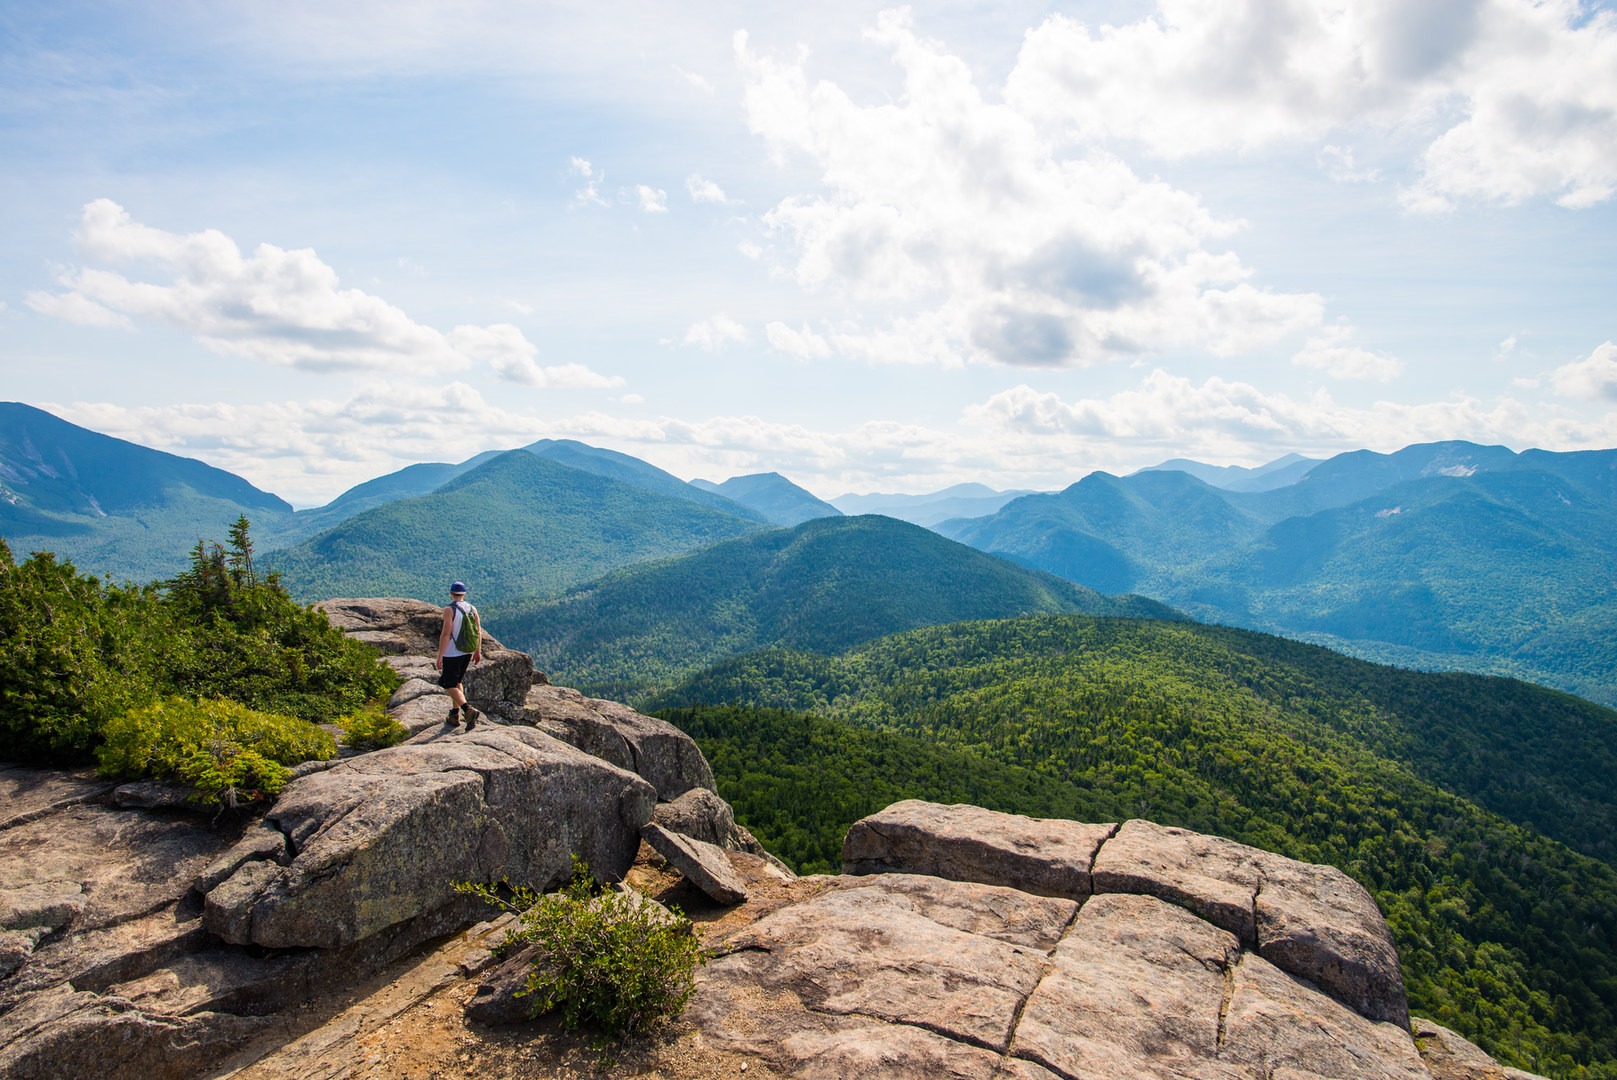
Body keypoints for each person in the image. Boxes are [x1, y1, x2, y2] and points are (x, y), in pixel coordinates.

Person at [435, 580, 483, 729]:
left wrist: (440, 656)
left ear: (451, 594)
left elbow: (446, 634)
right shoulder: (472, 608)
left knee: (447, 684)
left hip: (452, 652)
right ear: (464, 594)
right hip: (467, 651)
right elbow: (478, 631)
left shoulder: (449, 610)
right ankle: (455, 715)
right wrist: (477, 651)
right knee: (457, 682)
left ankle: (467, 709)